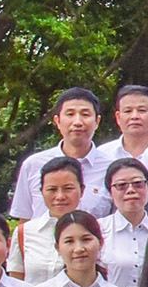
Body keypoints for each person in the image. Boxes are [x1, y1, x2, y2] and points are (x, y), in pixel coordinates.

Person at [10, 88, 109, 219]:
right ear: (57, 121)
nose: (77, 122)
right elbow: (25, 221)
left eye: (85, 114)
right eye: (70, 114)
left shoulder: (110, 168)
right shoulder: (33, 165)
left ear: (97, 121)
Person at [9, 157, 87, 285]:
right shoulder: (24, 233)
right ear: (42, 192)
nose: (60, 196)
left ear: (82, 190)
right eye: (52, 189)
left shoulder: (96, 231)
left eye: (68, 188)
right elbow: (16, 284)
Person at [98, 84, 148, 173]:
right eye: (128, 111)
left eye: (141, 110)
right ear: (118, 117)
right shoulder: (103, 154)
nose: (134, 116)